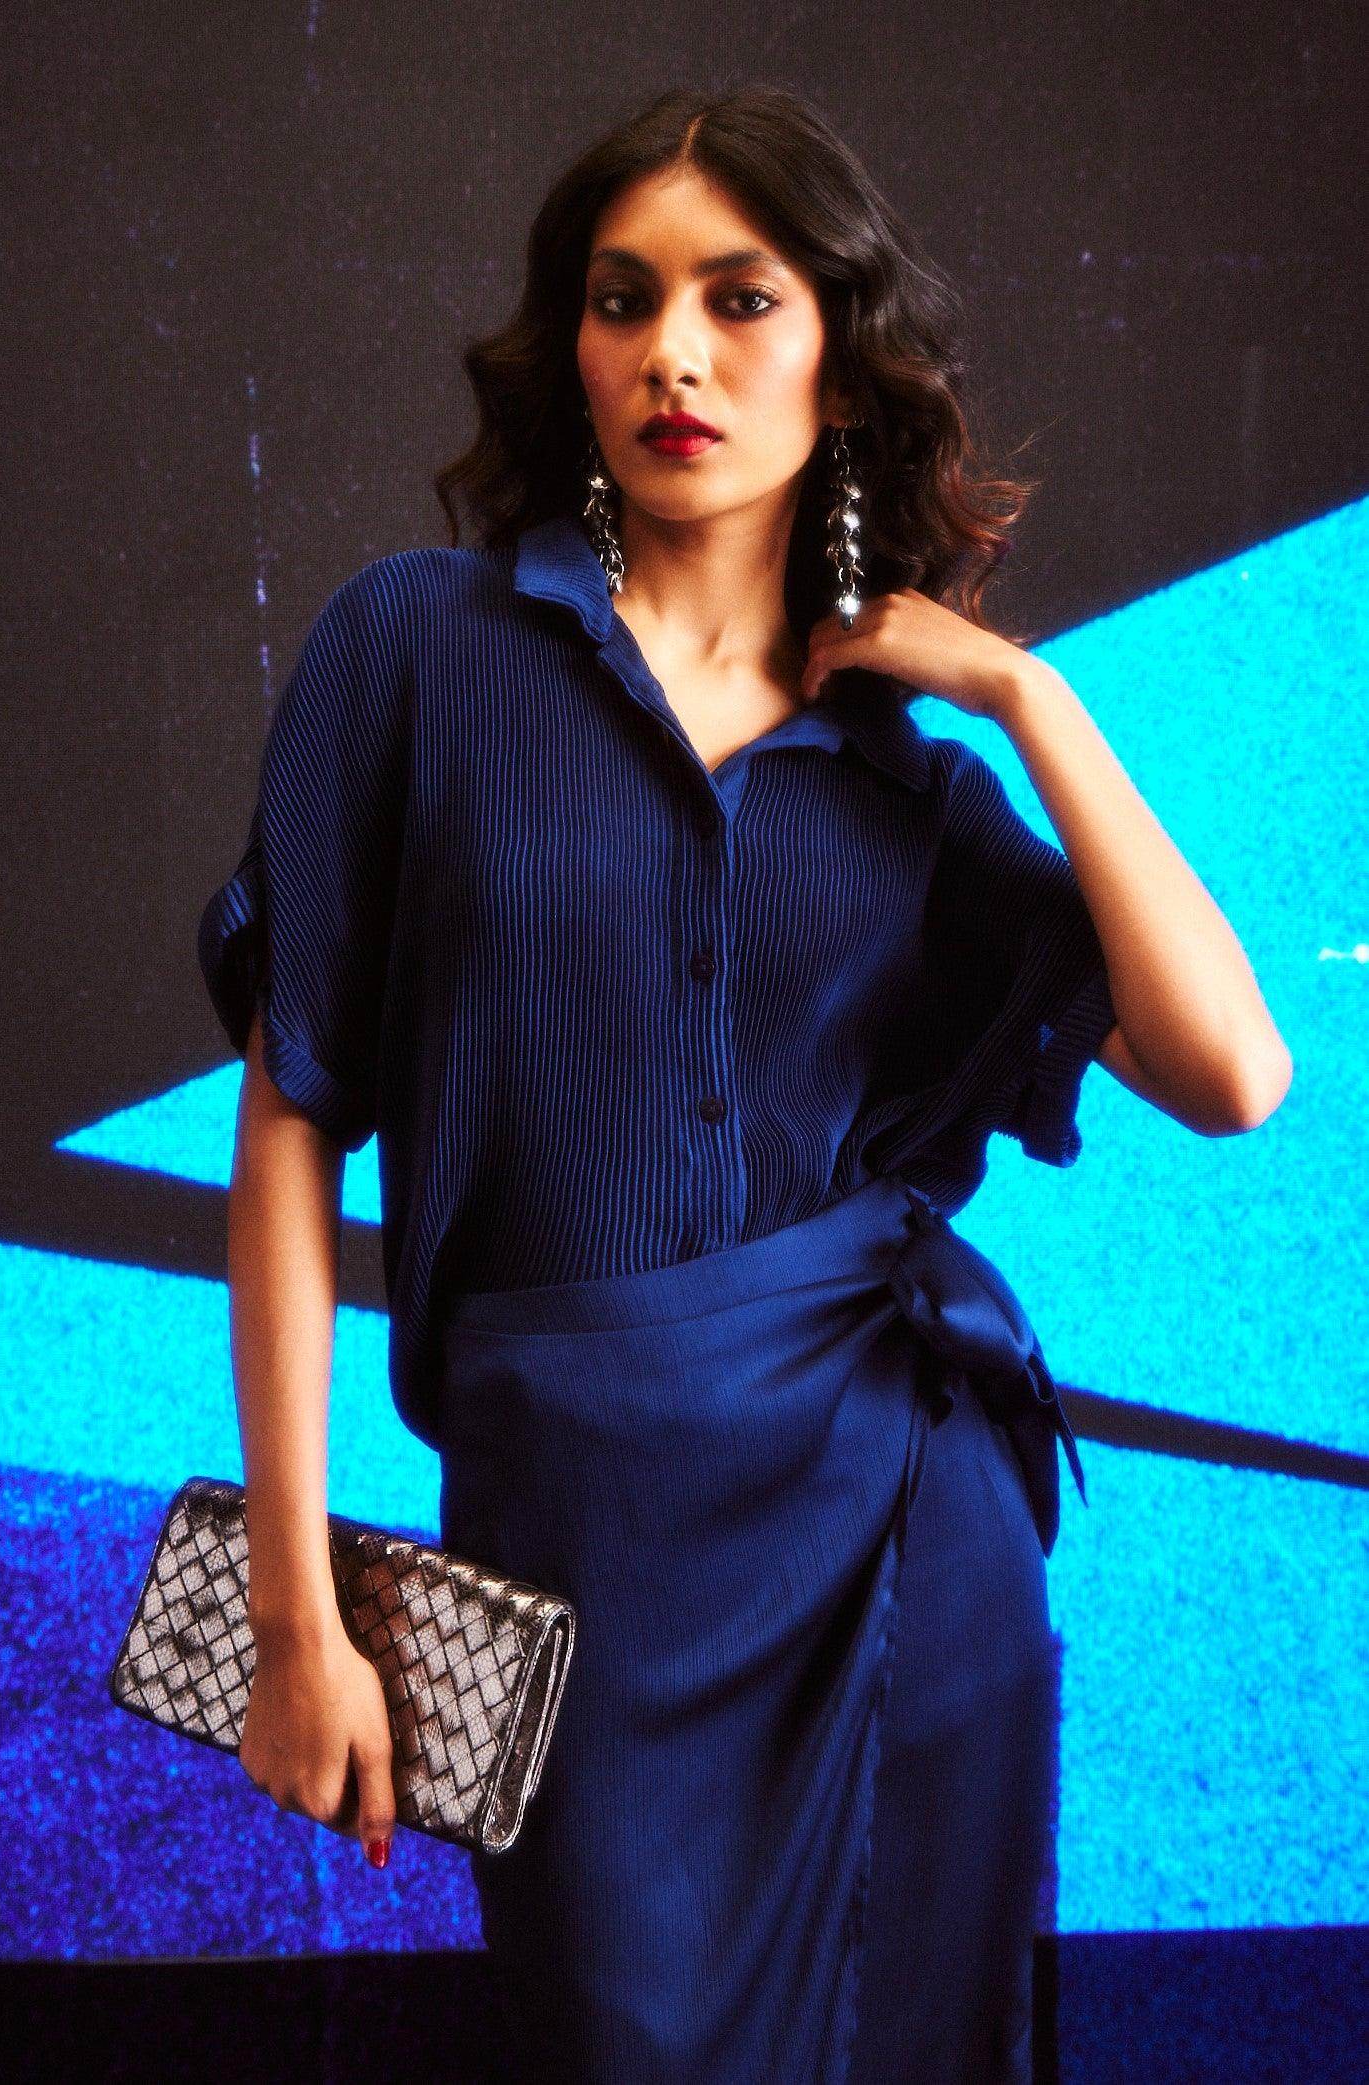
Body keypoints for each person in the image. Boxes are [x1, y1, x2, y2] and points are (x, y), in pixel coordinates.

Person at [197, 83, 1292, 2085]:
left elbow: (1234, 1071)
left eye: (741, 297)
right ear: (574, 348)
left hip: (898, 1538)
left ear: (840, 361)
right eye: (623, 301)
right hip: (574, 1542)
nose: (673, 354)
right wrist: (293, 1611)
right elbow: (290, 1122)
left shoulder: (909, 787)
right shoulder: (418, 650)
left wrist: (1027, 696)